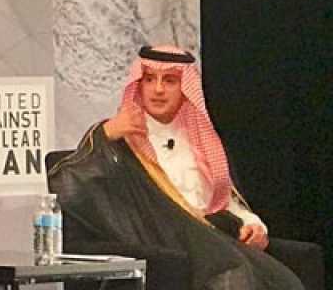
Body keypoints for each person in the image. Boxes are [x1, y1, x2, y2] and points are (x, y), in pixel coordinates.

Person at [49, 45, 303, 290]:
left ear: (185, 88)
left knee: (282, 280)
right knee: (230, 272)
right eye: (149, 79)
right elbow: (67, 187)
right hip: (157, 240)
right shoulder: (118, 138)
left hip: (208, 237)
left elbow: (223, 200)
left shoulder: (202, 140)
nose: (158, 89)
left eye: (170, 81)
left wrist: (253, 224)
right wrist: (105, 134)